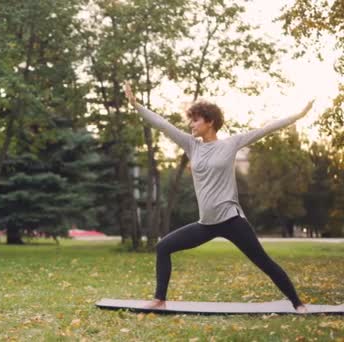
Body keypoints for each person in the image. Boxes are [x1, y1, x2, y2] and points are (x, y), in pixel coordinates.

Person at [124, 82, 313, 313]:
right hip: (207, 224)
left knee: (263, 262)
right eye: (190, 120)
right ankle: (159, 299)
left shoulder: (230, 144)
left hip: (232, 220)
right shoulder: (192, 146)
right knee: (164, 247)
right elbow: (163, 125)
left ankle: (298, 303)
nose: (191, 124)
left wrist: (300, 114)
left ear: (210, 121)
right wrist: (136, 105)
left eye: (195, 120)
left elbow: (266, 129)